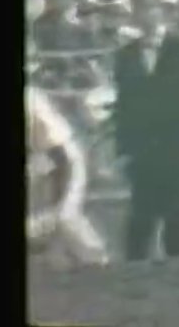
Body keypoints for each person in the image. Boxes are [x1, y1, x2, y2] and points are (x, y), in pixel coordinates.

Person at [112, 0, 179, 261]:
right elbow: (123, 105)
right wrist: (123, 149)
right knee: (140, 217)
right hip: (142, 148)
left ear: (161, 11)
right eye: (136, 9)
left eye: (147, 7)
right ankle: (134, 276)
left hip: (178, 145)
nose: (141, 14)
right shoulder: (126, 54)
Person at [26, 85, 110, 268]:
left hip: (61, 157)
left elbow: (58, 153)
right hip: (46, 159)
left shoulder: (29, 98)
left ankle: (97, 262)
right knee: (53, 220)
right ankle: (62, 264)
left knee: (64, 216)